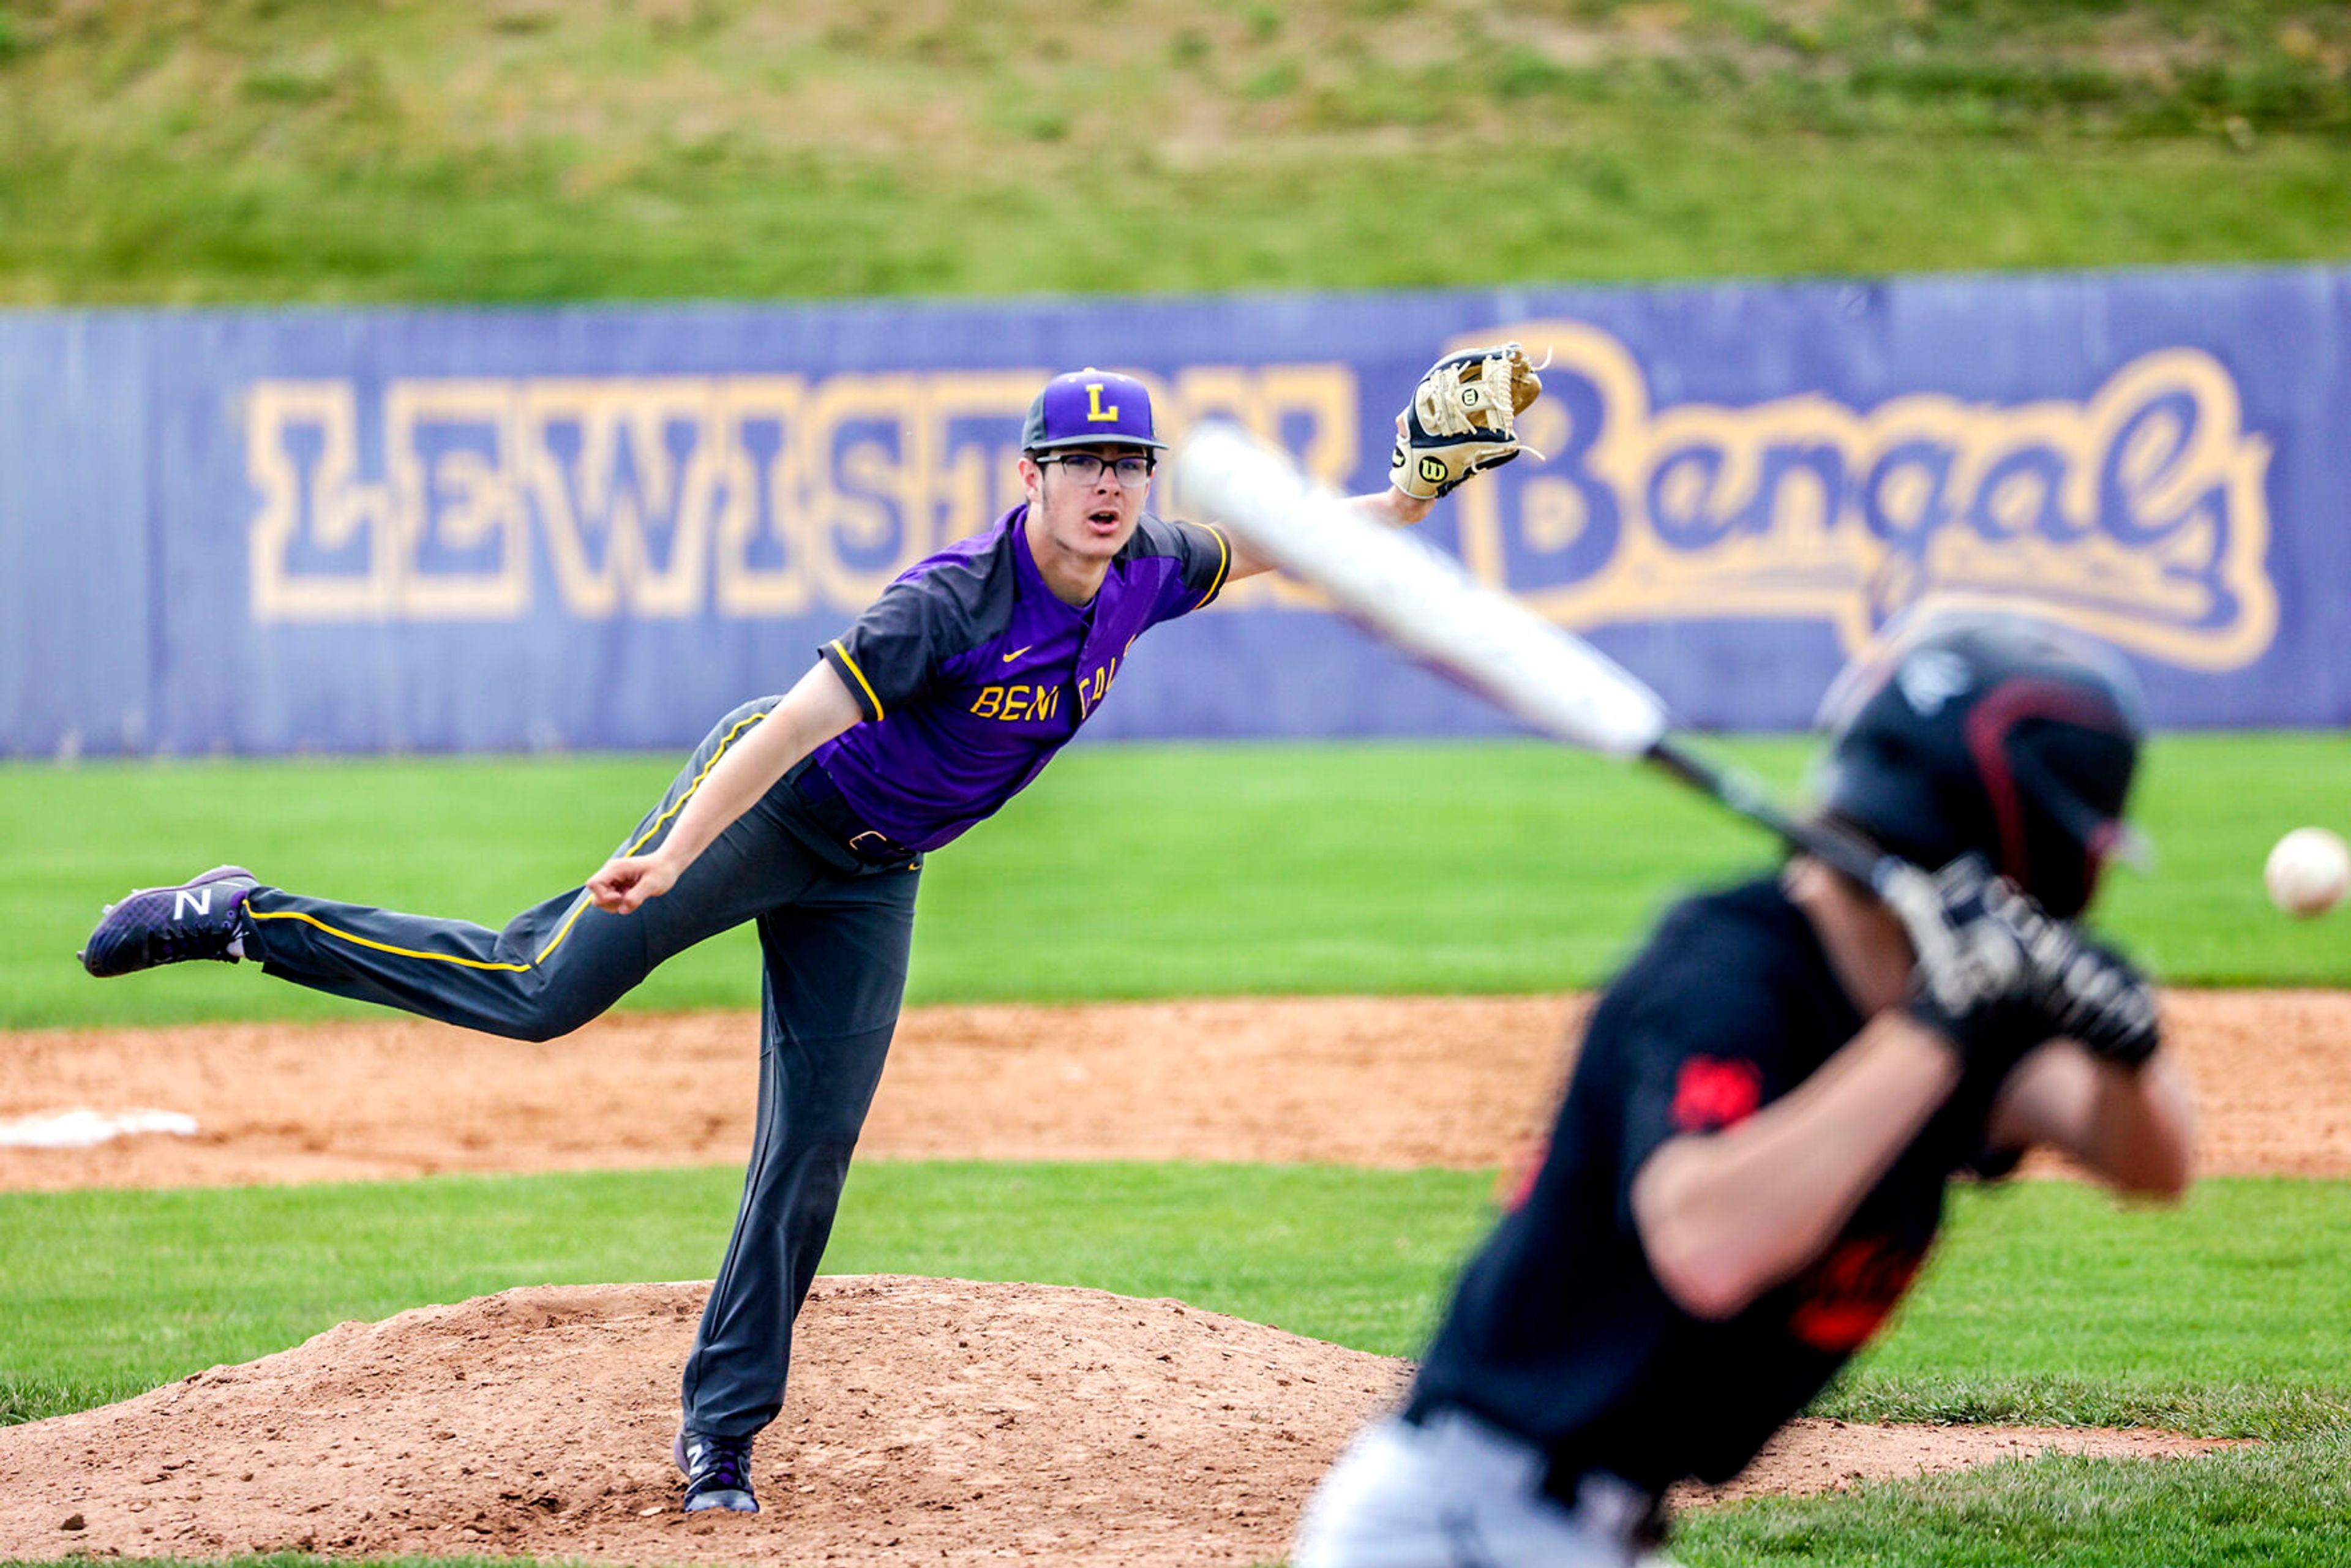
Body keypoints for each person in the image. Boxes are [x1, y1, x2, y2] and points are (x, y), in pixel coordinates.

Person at [78, 349, 1543, 1515]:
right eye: (1079, 462)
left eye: (1125, 462)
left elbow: (1295, 548)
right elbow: (792, 718)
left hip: (876, 872)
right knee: (540, 992)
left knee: (812, 1147)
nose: (1106, 485)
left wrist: (1409, 495)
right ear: (1029, 476)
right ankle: (245, 915)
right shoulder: (949, 602)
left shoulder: (1149, 568)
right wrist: (674, 858)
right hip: (768, 810)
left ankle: (719, 1438)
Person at [1291, 610, 2197, 1568]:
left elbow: (2154, 1162)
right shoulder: (1725, 970)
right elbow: (1708, 1246)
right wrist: (1942, 1026)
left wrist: (2127, 1039)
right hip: (1467, 1524)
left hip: (1592, 1528)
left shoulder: (1963, 987)